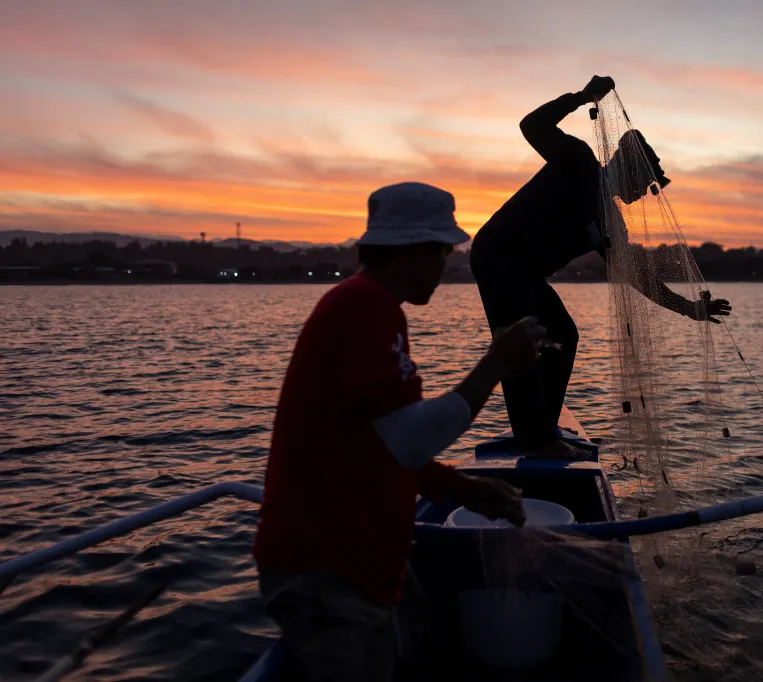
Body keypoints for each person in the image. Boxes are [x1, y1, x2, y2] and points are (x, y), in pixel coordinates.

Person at [253, 182, 547, 681]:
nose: (447, 265)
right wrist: (496, 363)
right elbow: (410, 438)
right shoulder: (364, 307)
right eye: (442, 252)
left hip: (360, 559)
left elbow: (378, 443)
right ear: (414, 251)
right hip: (324, 569)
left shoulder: (370, 308)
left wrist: (461, 489)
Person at [470, 76, 732, 459]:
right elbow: (531, 125)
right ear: (627, 167)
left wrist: (689, 309)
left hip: (525, 273)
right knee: (525, 344)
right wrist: (581, 98)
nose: (645, 192)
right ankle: (537, 442)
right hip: (497, 257)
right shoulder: (577, 161)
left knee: (563, 335)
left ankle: (543, 426)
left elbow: (636, 275)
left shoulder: (610, 220)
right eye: (646, 182)